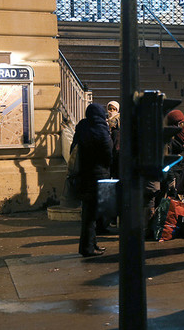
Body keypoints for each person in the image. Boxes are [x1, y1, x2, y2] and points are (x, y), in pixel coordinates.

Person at [71, 103, 113, 257]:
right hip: (98, 175)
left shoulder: (82, 127)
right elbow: (108, 151)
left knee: (88, 213)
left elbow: (73, 148)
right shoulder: (101, 129)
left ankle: (91, 244)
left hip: (84, 175)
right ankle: (88, 248)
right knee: (92, 214)